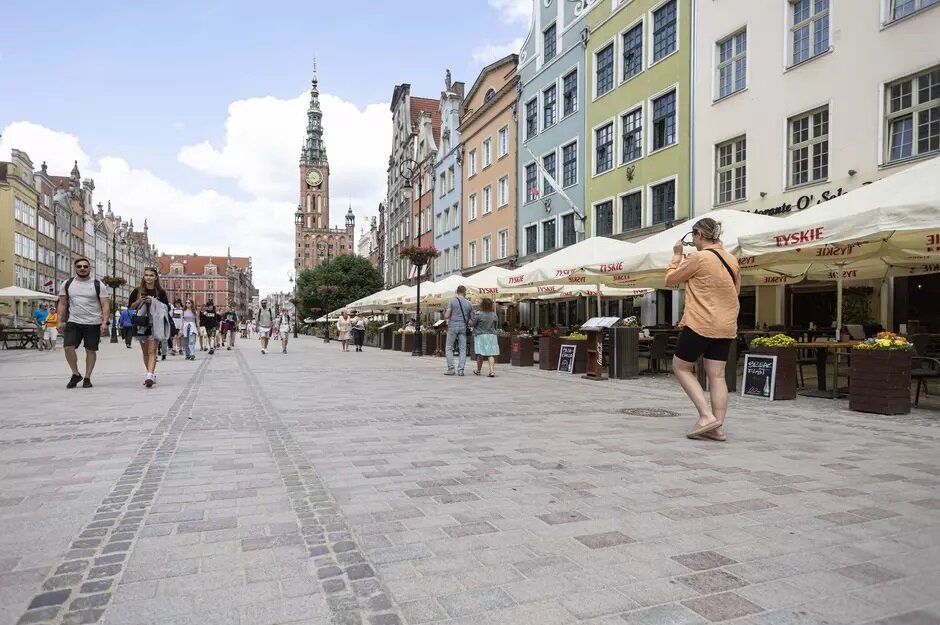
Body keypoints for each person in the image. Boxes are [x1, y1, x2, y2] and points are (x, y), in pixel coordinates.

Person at [665, 217, 741, 442]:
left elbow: (670, 279)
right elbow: (735, 292)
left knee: (680, 367)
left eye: (693, 236)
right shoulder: (732, 260)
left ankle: (706, 417)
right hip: (726, 325)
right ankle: (717, 428)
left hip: (700, 322)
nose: (693, 241)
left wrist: (677, 255)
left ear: (699, 234)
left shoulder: (699, 258)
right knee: (717, 375)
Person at [57, 258, 109, 388]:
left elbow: (105, 304)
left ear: (89, 268)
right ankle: (75, 374)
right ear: (75, 268)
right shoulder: (67, 284)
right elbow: (62, 303)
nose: (82, 268)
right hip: (73, 321)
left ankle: (87, 377)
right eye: (79, 266)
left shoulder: (98, 285)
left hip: (93, 322)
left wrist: (104, 322)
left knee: (90, 350)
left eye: (85, 266)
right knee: (68, 347)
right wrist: (59, 321)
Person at [128, 268, 171, 388]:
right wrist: (139, 301)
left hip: (155, 323)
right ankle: (150, 373)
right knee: (145, 352)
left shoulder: (160, 292)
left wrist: (153, 301)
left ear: (156, 277)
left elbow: (167, 308)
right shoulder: (137, 291)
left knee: (152, 351)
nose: (148, 277)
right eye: (146, 275)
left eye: (151, 275)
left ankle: (150, 374)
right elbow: (130, 307)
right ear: (143, 277)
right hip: (141, 324)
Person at [444, 285, 474, 376]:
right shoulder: (469, 304)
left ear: (457, 292)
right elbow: (472, 318)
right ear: (464, 292)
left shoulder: (452, 301)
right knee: (462, 349)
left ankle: (451, 369)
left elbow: (447, 316)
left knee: (449, 347)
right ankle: (461, 370)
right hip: (463, 327)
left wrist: (445, 313)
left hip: (452, 326)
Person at [470, 298, 500, 377]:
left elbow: (472, 324)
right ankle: (492, 371)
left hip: (481, 336)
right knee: (491, 354)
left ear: (482, 305)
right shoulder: (494, 315)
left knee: (480, 354)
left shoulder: (478, 314)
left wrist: (469, 320)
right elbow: (496, 326)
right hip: (492, 336)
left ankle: (478, 371)